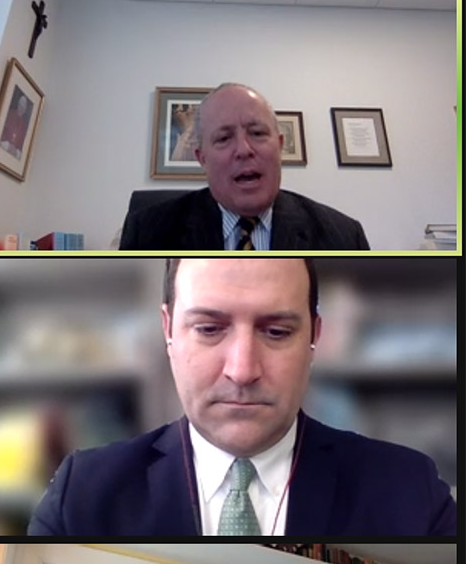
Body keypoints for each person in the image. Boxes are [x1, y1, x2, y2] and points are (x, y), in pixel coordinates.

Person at [29, 258, 456, 536]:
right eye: (209, 329)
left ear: (315, 336)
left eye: (276, 332)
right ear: (168, 331)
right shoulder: (81, 495)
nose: (242, 370)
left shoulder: (411, 491)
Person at [120, 83, 371, 250]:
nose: (243, 150)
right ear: (202, 158)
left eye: (258, 133)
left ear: (280, 146)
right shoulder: (147, 233)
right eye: (224, 138)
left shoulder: (345, 238)